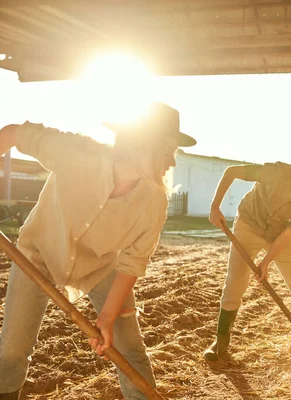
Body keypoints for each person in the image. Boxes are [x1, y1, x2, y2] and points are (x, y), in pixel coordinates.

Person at [0, 103, 196, 400]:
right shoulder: (76, 152)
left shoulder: (155, 202)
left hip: (101, 267)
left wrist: (106, 317)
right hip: (38, 254)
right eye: (167, 149)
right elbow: (15, 133)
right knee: (13, 349)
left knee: (130, 348)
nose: (172, 161)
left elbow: (133, 262)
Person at [203, 147, 291, 361]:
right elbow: (232, 171)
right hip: (249, 225)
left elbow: (287, 234)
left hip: (277, 233)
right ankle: (221, 340)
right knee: (236, 281)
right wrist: (215, 206)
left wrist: (266, 262)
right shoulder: (276, 173)